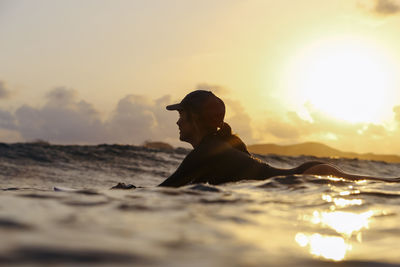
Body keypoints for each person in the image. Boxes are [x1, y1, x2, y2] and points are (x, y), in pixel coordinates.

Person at [159, 90, 399, 187]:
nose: (178, 121)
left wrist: (124, 190)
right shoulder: (220, 146)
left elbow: (165, 190)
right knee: (393, 183)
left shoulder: (207, 151)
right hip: (311, 175)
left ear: (197, 118)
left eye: (182, 114)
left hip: (310, 179)